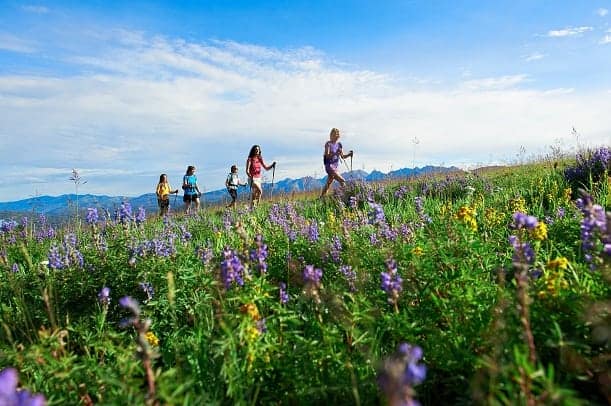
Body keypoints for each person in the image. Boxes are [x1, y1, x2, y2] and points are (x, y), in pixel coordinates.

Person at [320, 127, 353, 197]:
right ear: (331, 135)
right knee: (342, 181)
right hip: (329, 166)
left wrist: (349, 154)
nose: (336, 136)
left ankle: (321, 198)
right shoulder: (328, 144)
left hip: (335, 166)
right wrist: (335, 153)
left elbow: (343, 156)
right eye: (335, 134)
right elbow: (327, 155)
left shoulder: (339, 145)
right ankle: (345, 196)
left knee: (328, 183)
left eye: (337, 135)